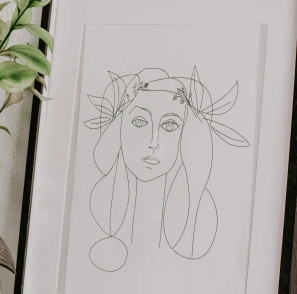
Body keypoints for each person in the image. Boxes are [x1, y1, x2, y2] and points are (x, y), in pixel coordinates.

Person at [84, 67, 248, 271]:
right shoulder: (100, 205)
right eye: (139, 121)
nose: (153, 142)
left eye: (169, 125)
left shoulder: (200, 221)